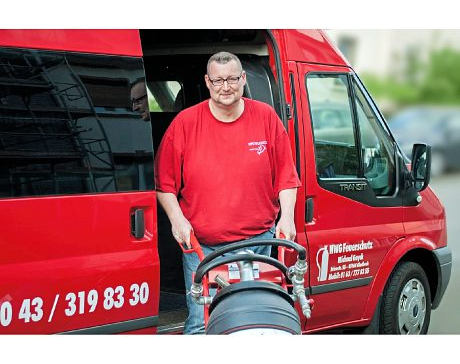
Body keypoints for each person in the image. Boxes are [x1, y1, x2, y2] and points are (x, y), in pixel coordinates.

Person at [154, 51, 301, 335]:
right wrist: (177, 220)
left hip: (259, 242)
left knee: (256, 318)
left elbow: (286, 177)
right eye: (219, 80)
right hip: (202, 248)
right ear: (207, 82)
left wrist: (288, 219)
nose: (226, 87)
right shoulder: (185, 124)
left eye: (232, 79)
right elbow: (165, 185)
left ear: (243, 79)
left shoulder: (266, 118)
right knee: (202, 322)